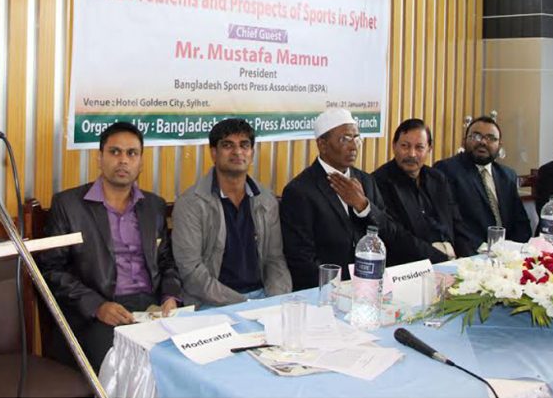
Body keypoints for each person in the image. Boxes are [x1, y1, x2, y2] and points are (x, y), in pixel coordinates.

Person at [40, 122, 181, 371]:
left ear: (141, 161)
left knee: (181, 362)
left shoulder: (153, 205)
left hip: (151, 308)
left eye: (132, 153)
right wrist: (97, 306)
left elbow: (167, 262)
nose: (123, 160)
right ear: (99, 158)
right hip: (97, 311)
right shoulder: (68, 205)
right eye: (115, 152)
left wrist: (170, 296)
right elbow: (51, 270)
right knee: (128, 367)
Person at [280, 109, 433, 291]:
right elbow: (301, 260)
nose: (354, 146)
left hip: (372, 286)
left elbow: (389, 233)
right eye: (345, 139)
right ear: (322, 144)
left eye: (356, 138)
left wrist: (364, 206)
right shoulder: (300, 191)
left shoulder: (366, 181)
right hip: (326, 291)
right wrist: (340, 288)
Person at [171, 118, 291, 307]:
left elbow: (275, 259)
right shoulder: (190, 204)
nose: (237, 152)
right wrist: (244, 304)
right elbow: (192, 272)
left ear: (252, 153)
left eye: (244, 145)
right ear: (213, 153)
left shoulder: (266, 200)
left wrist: (275, 301)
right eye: (228, 145)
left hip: (263, 297)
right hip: (211, 302)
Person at [434, 116, 531, 254]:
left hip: (508, 255)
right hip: (471, 254)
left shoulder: (507, 175)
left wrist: (516, 250)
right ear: (464, 140)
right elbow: (452, 221)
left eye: (491, 138)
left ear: (499, 146)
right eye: (476, 136)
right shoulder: (447, 170)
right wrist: (484, 249)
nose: (483, 142)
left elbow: (520, 222)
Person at [373, 119, 466, 259]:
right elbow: (397, 237)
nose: (411, 154)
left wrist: (467, 259)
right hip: (411, 265)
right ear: (394, 146)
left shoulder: (438, 178)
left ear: (429, 149)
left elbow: (456, 222)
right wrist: (439, 258)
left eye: (419, 147)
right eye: (405, 146)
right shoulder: (380, 182)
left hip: (450, 259)